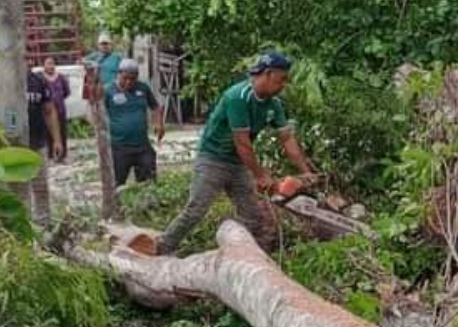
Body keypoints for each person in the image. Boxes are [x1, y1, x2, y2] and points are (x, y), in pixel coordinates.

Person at [155, 51, 314, 255]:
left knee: (253, 216)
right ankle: (163, 247)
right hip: (213, 159)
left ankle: (249, 256)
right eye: (281, 79)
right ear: (267, 74)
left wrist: (306, 171)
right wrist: (260, 175)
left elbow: (287, 139)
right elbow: (242, 142)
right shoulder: (238, 97)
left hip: (238, 163)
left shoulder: (274, 105)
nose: (283, 85)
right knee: (196, 209)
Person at [105, 58, 165, 186]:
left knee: (149, 182)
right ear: (119, 74)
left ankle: (147, 204)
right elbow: (93, 111)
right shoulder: (108, 91)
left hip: (142, 145)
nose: (128, 82)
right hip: (119, 147)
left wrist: (159, 123)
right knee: (117, 183)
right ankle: (117, 205)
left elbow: (155, 106)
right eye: (125, 78)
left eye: (132, 79)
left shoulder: (143, 88)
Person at [27, 69, 65, 223]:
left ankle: (44, 222)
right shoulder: (1, 79)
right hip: (11, 145)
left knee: (41, 185)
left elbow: (49, 111)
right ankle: (21, 224)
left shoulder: (38, 81)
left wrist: (57, 140)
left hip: (37, 142)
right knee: (16, 187)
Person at [42, 57, 71, 159]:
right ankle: (50, 154)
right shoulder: (41, 78)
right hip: (47, 111)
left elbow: (67, 92)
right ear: (44, 65)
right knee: (48, 132)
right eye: (48, 64)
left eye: (52, 64)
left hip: (60, 110)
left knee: (62, 131)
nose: (50, 66)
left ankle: (62, 155)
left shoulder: (61, 78)